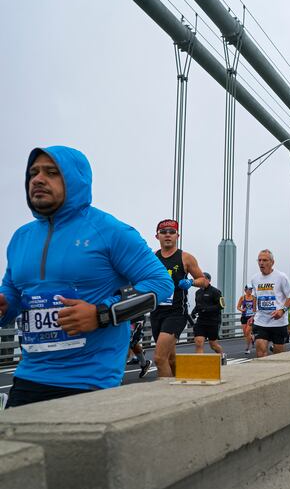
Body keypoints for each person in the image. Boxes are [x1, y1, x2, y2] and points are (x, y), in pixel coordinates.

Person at [0, 147, 172, 407]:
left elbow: (160, 283)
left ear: (74, 179)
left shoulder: (111, 231)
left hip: (91, 379)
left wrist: (101, 314)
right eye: (33, 173)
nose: (38, 179)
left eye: (51, 172)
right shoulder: (20, 238)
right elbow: (13, 294)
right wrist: (5, 305)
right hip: (30, 374)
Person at [150, 219, 208, 377]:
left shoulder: (186, 258)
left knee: (159, 358)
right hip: (156, 312)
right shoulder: (152, 257)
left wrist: (190, 282)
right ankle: (180, 384)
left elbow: (203, 280)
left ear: (177, 236)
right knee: (171, 358)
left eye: (171, 232)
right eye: (163, 232)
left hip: (176, 312)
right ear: (157, 236)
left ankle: (167, 397)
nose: (167, 235)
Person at [249, 249, 290, 357]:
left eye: (264, 260)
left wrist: (282, 311)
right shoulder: (254, 279)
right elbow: (255, 297)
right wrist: (253, 314)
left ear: (272, 262)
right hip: (261, 321)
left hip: (278, 322)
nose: (261, 263)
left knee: (278, 355)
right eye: (259, 260)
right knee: (261, 350)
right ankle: (263, 373)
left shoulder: (281, 277)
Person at [190, 272, 226, 364]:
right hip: (201, 321)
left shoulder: (215, 291)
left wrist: (207, 309)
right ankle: (200, 364)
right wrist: (193, 312)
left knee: (213, 345)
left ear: (208, 280)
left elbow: (222, 306)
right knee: (198, 342)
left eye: (204, 278)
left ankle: (222, 355)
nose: (201, 280)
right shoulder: (198, 292)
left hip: (213, 321)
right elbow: (198, 306)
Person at [237, 285, 256, 354]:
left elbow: (255, 309)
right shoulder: (242, 298)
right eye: (249, 289)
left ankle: (247, 348)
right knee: (245, 333)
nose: (250, 291)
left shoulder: (254, 298)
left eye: (251, 289)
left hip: (251, 317)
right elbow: (238, 307)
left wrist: (253, 316)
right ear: (245, 290)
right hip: (244, 317)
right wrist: (242, 309)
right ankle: (252, 338)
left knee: (248, 332)